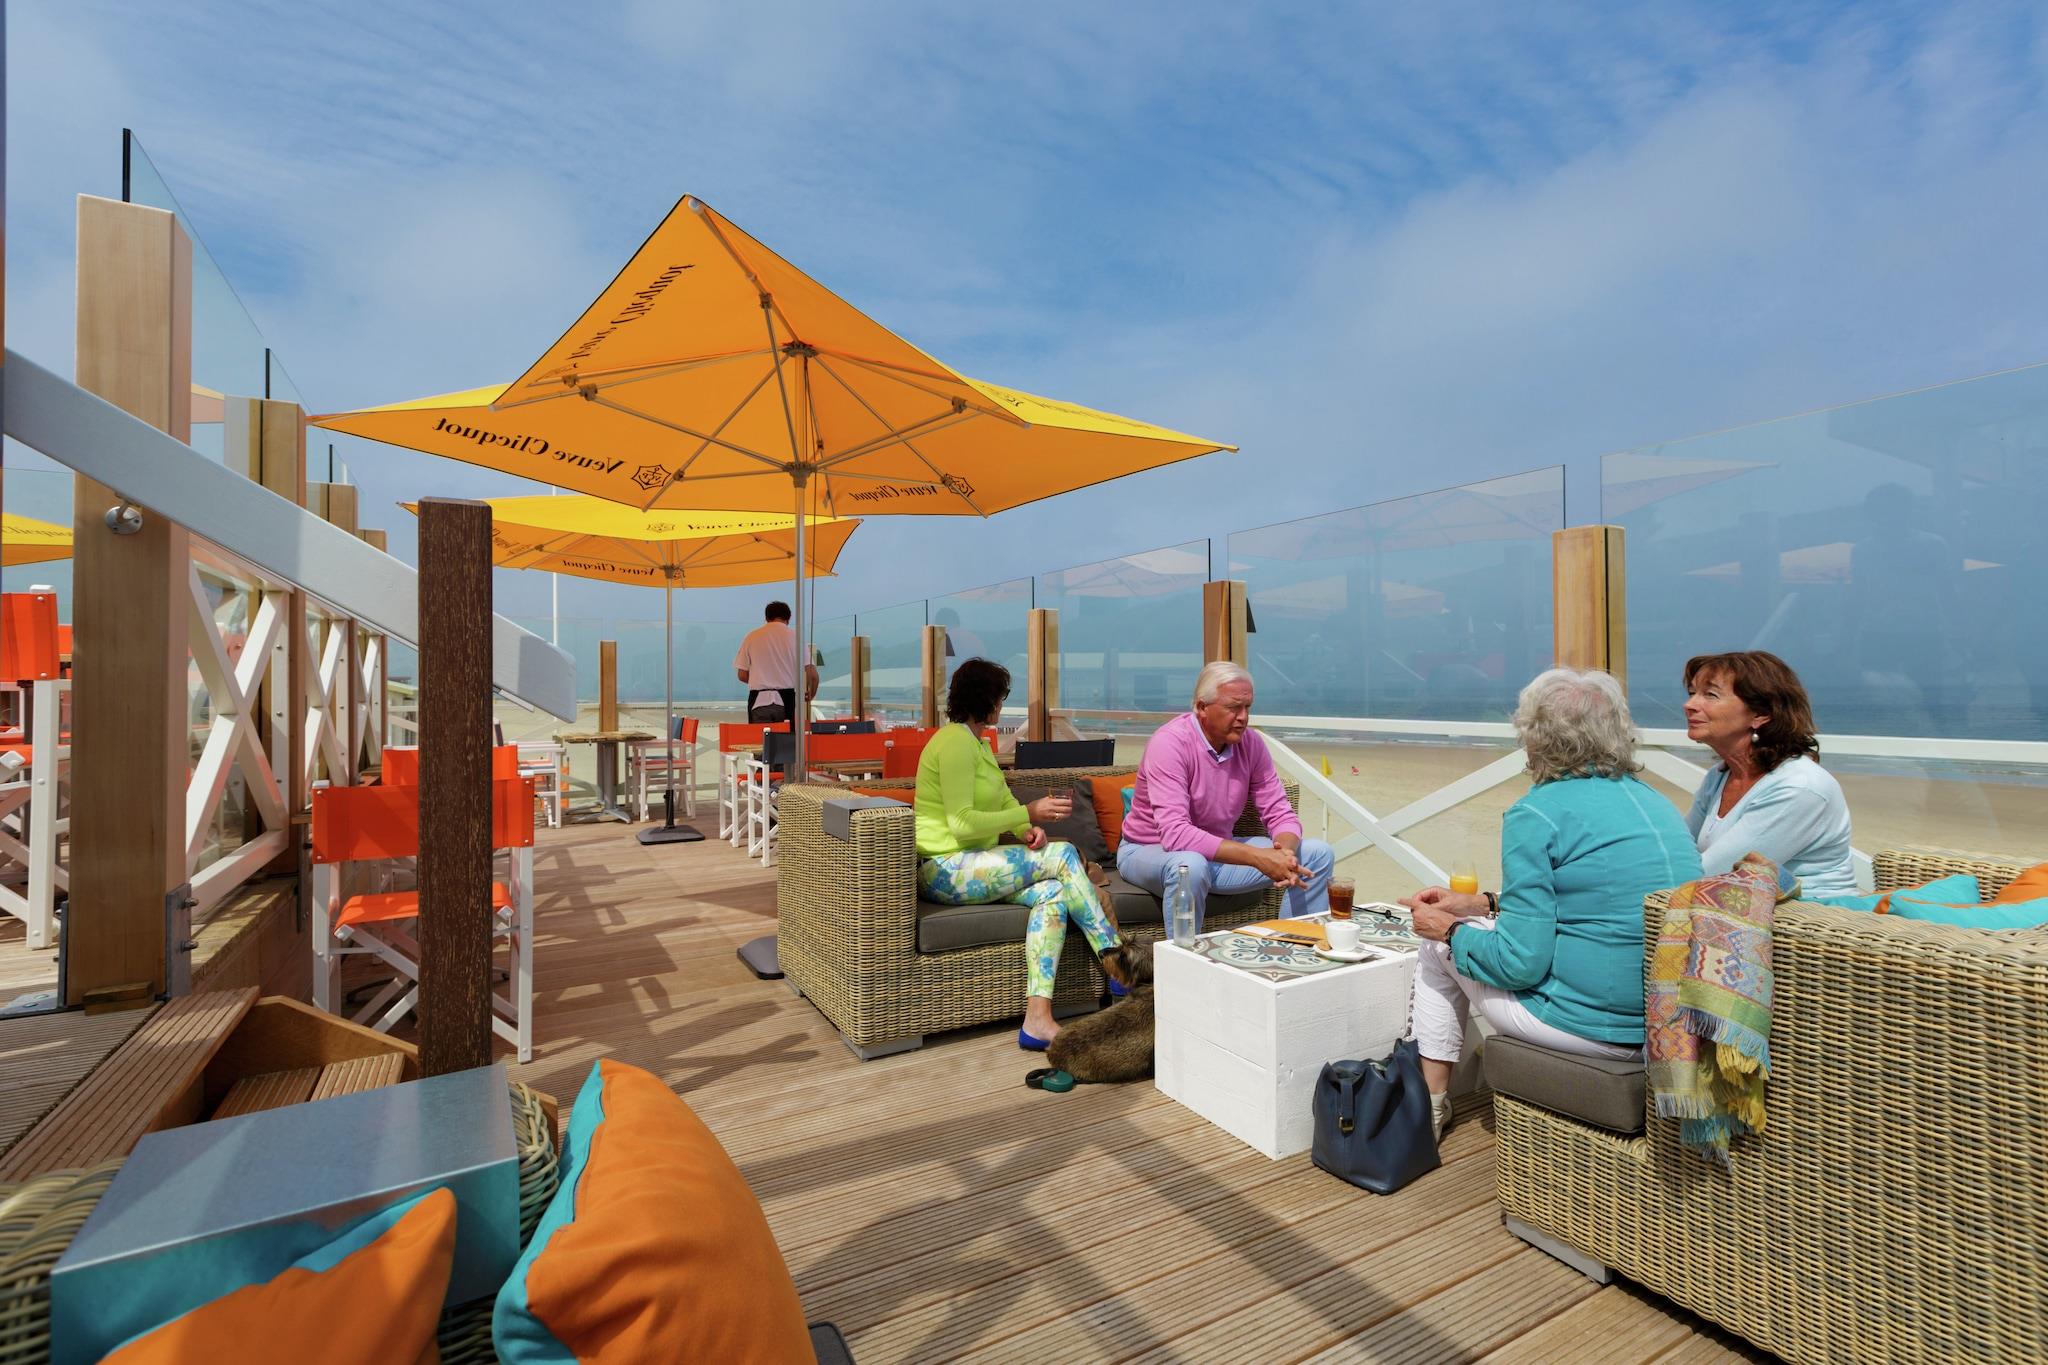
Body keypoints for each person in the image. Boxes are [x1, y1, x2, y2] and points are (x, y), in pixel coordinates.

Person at [1401, 669, 1702, 1141]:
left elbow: (1519, 965)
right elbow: (1595, 899)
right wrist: (1482, 904)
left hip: (1591, 1028)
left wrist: (1447, 929)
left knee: (1436, 951)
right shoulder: (1656, 802)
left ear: (1535, 738)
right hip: (1667, 1020)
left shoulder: (1536, 812)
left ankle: (1429, 1108)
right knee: (1467, 935)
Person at [914, 658, 1122, 1051]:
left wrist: (1027, 828)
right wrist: (1028, 811)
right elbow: (961, 824)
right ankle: (1118, 964)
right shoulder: (955, 742)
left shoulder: (977, 743)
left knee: (1054, 894)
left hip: (973, 865)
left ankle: (1037, 1019)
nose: (1001, 705)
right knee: (1062, 854)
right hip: (944, 868)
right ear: (986, 699)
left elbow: (1001, 800)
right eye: (1000, 698)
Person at [1117, 661, 1334, 929]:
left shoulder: (1251, 744)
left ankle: (1297, 943)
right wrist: (1258, 857)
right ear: (1202, 707)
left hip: (1215, 852)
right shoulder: (1169, 743)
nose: (1243, 717)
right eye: (1233, 707)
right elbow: (1175, 834)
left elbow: (1280, 813)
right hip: (1149, 850)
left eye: (1248, 707)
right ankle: (1183, 954)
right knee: (1190, 866)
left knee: (1318, 853)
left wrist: (1284, 855)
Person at [1680, 650, 1857, 898]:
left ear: (1761, 714)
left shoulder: (1799, 786)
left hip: (1808, 915)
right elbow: (1680, 849)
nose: (1689, 705)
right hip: (1742, 905)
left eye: (1710, 695)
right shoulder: (1719, 775)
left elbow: (1718, 873)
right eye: (1692, 693)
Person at [733, 600, 817, 724]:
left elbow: (742, 675)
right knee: (785, 736)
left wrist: (761, 680)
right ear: (788, 618)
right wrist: (811, 694)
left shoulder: (751, 637)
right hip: (786, 699)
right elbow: (812, 675)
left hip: (758, 701)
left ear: (766, 618)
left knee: (760, 737)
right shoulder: (796, 637)